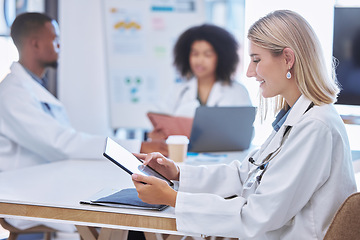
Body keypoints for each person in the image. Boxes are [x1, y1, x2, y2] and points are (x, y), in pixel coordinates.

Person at [132, 10, 357, 239]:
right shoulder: (297, 118)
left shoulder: (315, 127)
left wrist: (173, 198)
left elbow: (257, 217)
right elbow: (246, 175)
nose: (250, 72)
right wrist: (178, 172)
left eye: (257, 60)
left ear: (288, 59)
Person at [0, 12, 165, 236]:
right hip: (25, 193)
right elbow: (62, 143)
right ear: (36, 44)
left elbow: (65, 141)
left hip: (51, 182)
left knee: (129, 210)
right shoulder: (12, 95)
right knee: (125, 219)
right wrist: (138, 146)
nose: (60, 45)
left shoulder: (32, 87)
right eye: (55, 39)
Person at [149, 24, 252, 140]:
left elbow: (246, 133)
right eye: (195, 54)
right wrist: (158, 135)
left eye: (207, 55)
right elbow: (162, 124)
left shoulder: (237, 91)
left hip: (225, 155)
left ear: (221, 57)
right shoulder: (178, 91)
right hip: (183, 155)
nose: (199, 60)